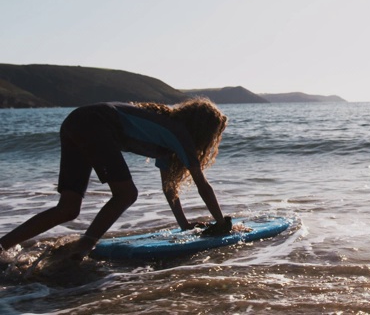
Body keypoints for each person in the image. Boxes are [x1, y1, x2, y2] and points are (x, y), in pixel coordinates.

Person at [0, 97, 232, 260]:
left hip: (76, 121)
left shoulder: (165, 136)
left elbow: (169, 189)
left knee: (68, 209)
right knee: (126, 194)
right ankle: (83, 249)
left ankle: (2, 246)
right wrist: (222, 223)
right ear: (203, 130)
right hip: (93, 123)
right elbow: (203, 185)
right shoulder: (179, 134)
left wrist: (184, 225)